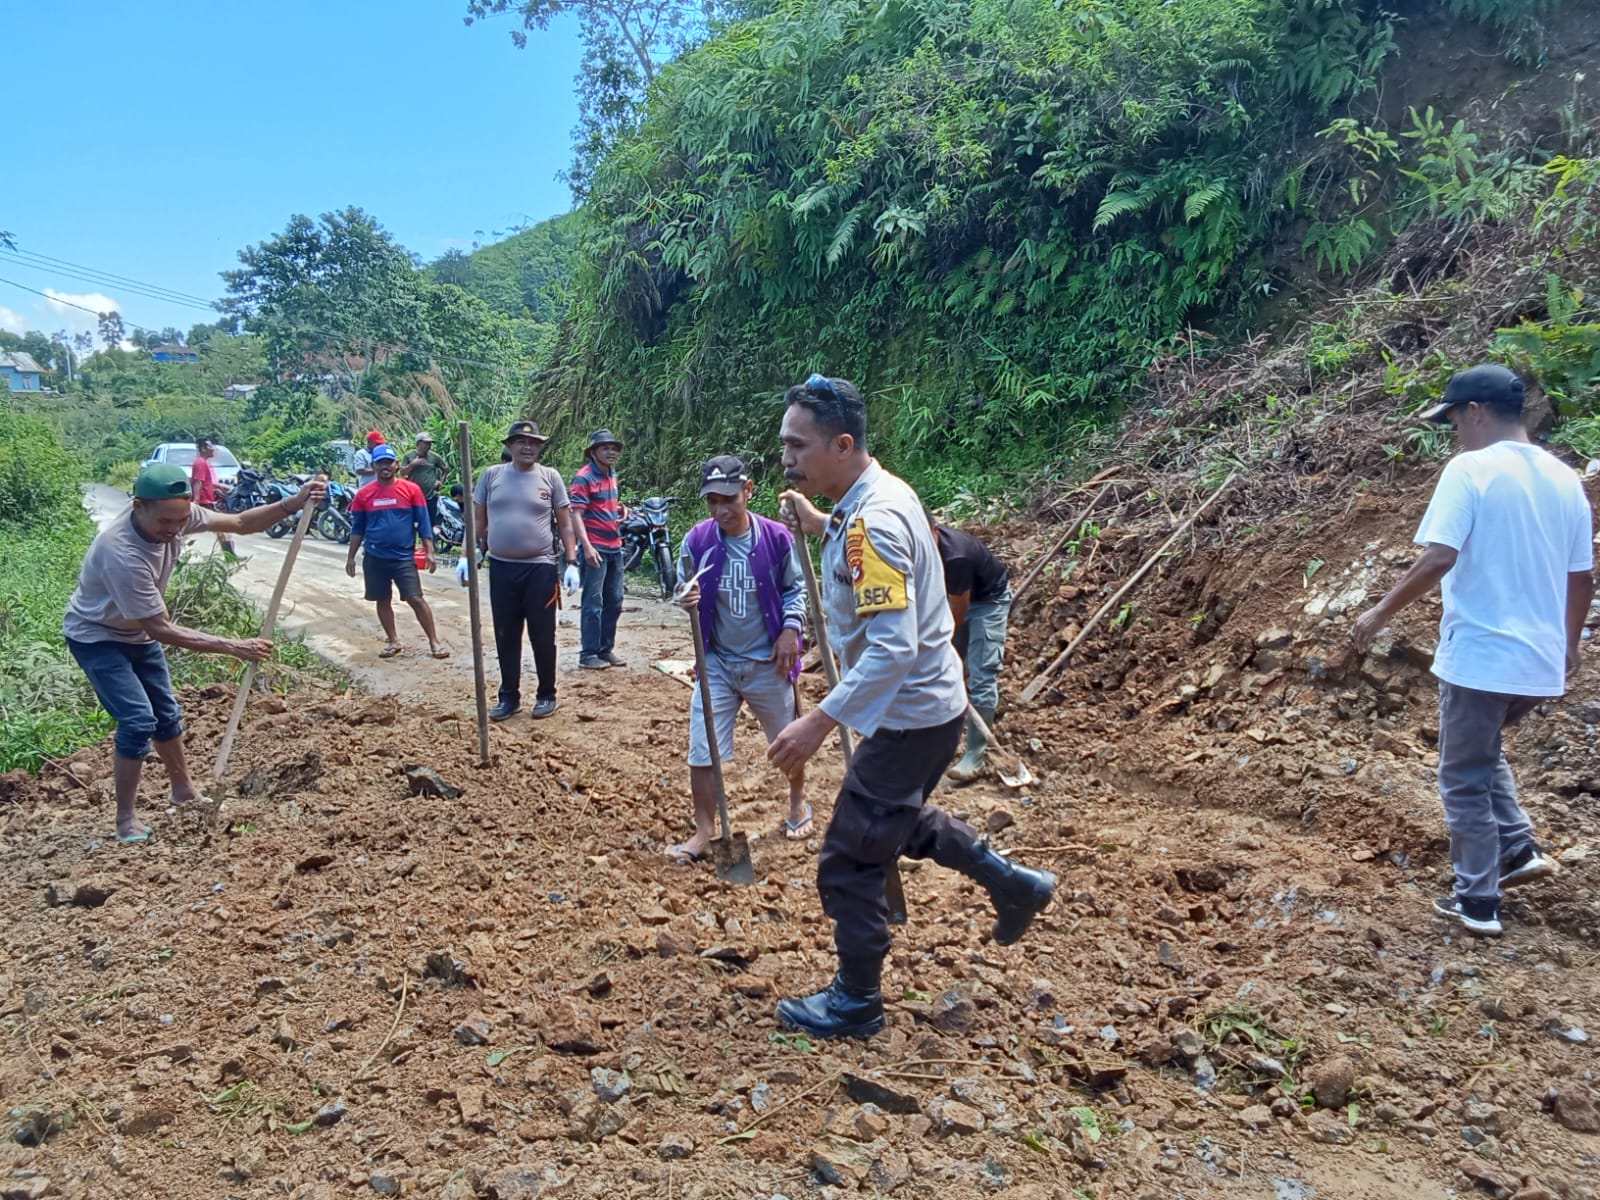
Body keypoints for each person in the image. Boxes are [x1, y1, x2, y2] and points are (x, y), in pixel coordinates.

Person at [770, 374, 1056, 1039]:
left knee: (850, 856)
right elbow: (862, 548)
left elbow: (892, 647)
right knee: (896, 818)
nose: (787, 457)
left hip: (911, 715)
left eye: (797, 445)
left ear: (841, 445)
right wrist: (819, 523)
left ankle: (857, 1002)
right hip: (926, 711)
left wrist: (819, 720)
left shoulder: (872, 520)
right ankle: (1012, 883)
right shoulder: (873, 496)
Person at [1353, 364, 1593, 937]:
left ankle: (1478, 902)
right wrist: (1570, 643)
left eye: (1455, 417)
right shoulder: (1565, 480)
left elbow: (1440, 557)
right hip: (1538, 661)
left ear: (1477, 411)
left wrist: (1379, 611)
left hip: (1483, 654)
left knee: (1462, 777)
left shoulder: (1471, 470)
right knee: (1485, 753)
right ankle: (1518, 848)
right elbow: (1581, 576)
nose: (1454, 431)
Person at [63, 464, 326, 842]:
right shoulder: (120, 553)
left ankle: (183, 790)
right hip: (97, 637)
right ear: (138, 506)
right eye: (165, 522)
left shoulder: (178, 514)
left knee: (167, 715)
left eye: (181, 520)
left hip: (136, 633)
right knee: (138, 721)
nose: (174, 529)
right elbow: (161, 628)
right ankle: (125, 820)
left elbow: (238, 522)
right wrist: (235, 647)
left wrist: (294, 503)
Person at [670, 455, 812, 862]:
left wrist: (790, 630)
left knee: (788, 741)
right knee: (703, 746)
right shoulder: (697, 541)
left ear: (748, 490)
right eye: (712, 501)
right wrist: (685, 599)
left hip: (769, 660)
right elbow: (681, 587)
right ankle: (704, 831)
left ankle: (798, 803)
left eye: (729, 499)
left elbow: (796, 588)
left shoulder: (775, 539)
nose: (721, 510)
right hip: (716, 661)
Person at [473, 420, 580, 721]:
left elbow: (565, 523)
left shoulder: (550, 477)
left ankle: (547, 694)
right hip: (502, 568)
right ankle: (509, 697)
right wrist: (469, 555)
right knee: (506, 634)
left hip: (540, 569)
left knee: (542, 634)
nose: (527, 447)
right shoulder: (491, 476)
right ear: (509, 446)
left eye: (533, 443)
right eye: (521, 441)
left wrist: (571, 563)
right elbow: (478, 521)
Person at [345, 444, 449, 660]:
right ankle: (393, 641)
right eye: (380, 462)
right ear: (373, 466)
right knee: (382, 599)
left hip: (403, 557)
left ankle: (434, 642)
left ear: (396, 464)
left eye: (389, 462)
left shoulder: (411, 490)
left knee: (416, 598)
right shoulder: (363, 495)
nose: (385, 466)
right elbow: (357, 528)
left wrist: (429, 551)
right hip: (374, 556)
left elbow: (423, 521)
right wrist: (351, 557)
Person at [935, 520, 1012, 781]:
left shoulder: (956, 556)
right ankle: (939, 738)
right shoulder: (917, 547)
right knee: (946, 668)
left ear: (934, 530)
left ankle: (975, 755)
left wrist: (943, 640)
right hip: (955, 599)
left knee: (981, 674)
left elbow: (959, 610)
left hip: (988, 603)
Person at [570, 430, 628, 670]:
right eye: (605, 448)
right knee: (594, 601)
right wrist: (586, 546)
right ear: (593, 452)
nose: (611, 451)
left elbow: (603, 506)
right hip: (596, 548)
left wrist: (619, 511)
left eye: (613, 448)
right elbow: (576, 514)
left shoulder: (611, 474)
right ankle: (588, 653)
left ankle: (606, 649)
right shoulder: (584, 478)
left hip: (614, 546)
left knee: (615, 599)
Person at [189, 437, 239, 559]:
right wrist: (196, 501)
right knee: (221, 527)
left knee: (220, 528)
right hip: (203, 502)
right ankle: (230, 556)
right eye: (211, 447)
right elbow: (198, 482)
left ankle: (230, 556)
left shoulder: (202, 462)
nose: (213, 449)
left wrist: (220, 487)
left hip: (205, 501)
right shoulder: (200, 463)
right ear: (203, 449)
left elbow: (205, 482)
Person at [400, 431, 448, 525]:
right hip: (413, 496)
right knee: (412, 523)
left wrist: (440, 481)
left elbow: (445, 469)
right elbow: (402, 472)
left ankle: (430, 539)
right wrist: (413, 464)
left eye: (429, 443)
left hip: (431, 496)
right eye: (426, 443)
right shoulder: (409, 456)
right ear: (418, 443)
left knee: (430, 522)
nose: (428, 446)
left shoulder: (434, 457)